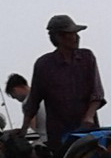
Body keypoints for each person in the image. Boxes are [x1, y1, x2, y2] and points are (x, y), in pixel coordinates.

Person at [21, 14, 105, 147]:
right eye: (72, 34)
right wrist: (23, 130)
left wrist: (89, 116)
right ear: (59, 37)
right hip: (59, 135)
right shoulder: (44, 65)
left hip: (87, 132)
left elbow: (97, 92)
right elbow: (33, 102)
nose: (77, 37)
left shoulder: (87, 57)